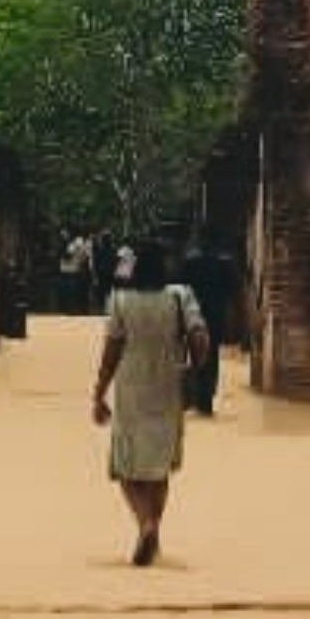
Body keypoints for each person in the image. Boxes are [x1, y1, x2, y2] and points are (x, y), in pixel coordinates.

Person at [91, 238, 210, 566]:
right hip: (168, 386)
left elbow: (111, 350)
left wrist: (99, 392)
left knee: (126, 464)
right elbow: (200, 338)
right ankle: (153, 529)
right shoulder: (180, 296)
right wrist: (194, 369)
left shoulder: (119, 300)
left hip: (131, 388)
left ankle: (145, 523)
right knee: (159, 465)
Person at [178, 231, 237, 415]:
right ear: (217, 241)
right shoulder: (224, 263)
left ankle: (192, 397)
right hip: (214, 317)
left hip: (192, 316)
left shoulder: (190, 262)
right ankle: (206, 399)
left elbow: (180, 288)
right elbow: (233, 290)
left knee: (191, 356)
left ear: (200, 241)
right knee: (211, 358)